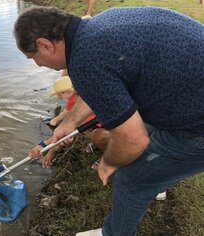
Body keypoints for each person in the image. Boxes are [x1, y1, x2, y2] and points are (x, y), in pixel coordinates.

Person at [14, 6, 204, 236]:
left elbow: (134, 141)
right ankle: (156, 180)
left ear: (45, 44)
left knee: (130, 177)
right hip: (186, 96)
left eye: (33, 57)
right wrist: (69, 123)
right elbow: (103, 86)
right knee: (143, 145)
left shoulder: (85, 60)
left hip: (196, 124)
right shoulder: (98, 26)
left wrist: (108, 162)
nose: (37, 64)